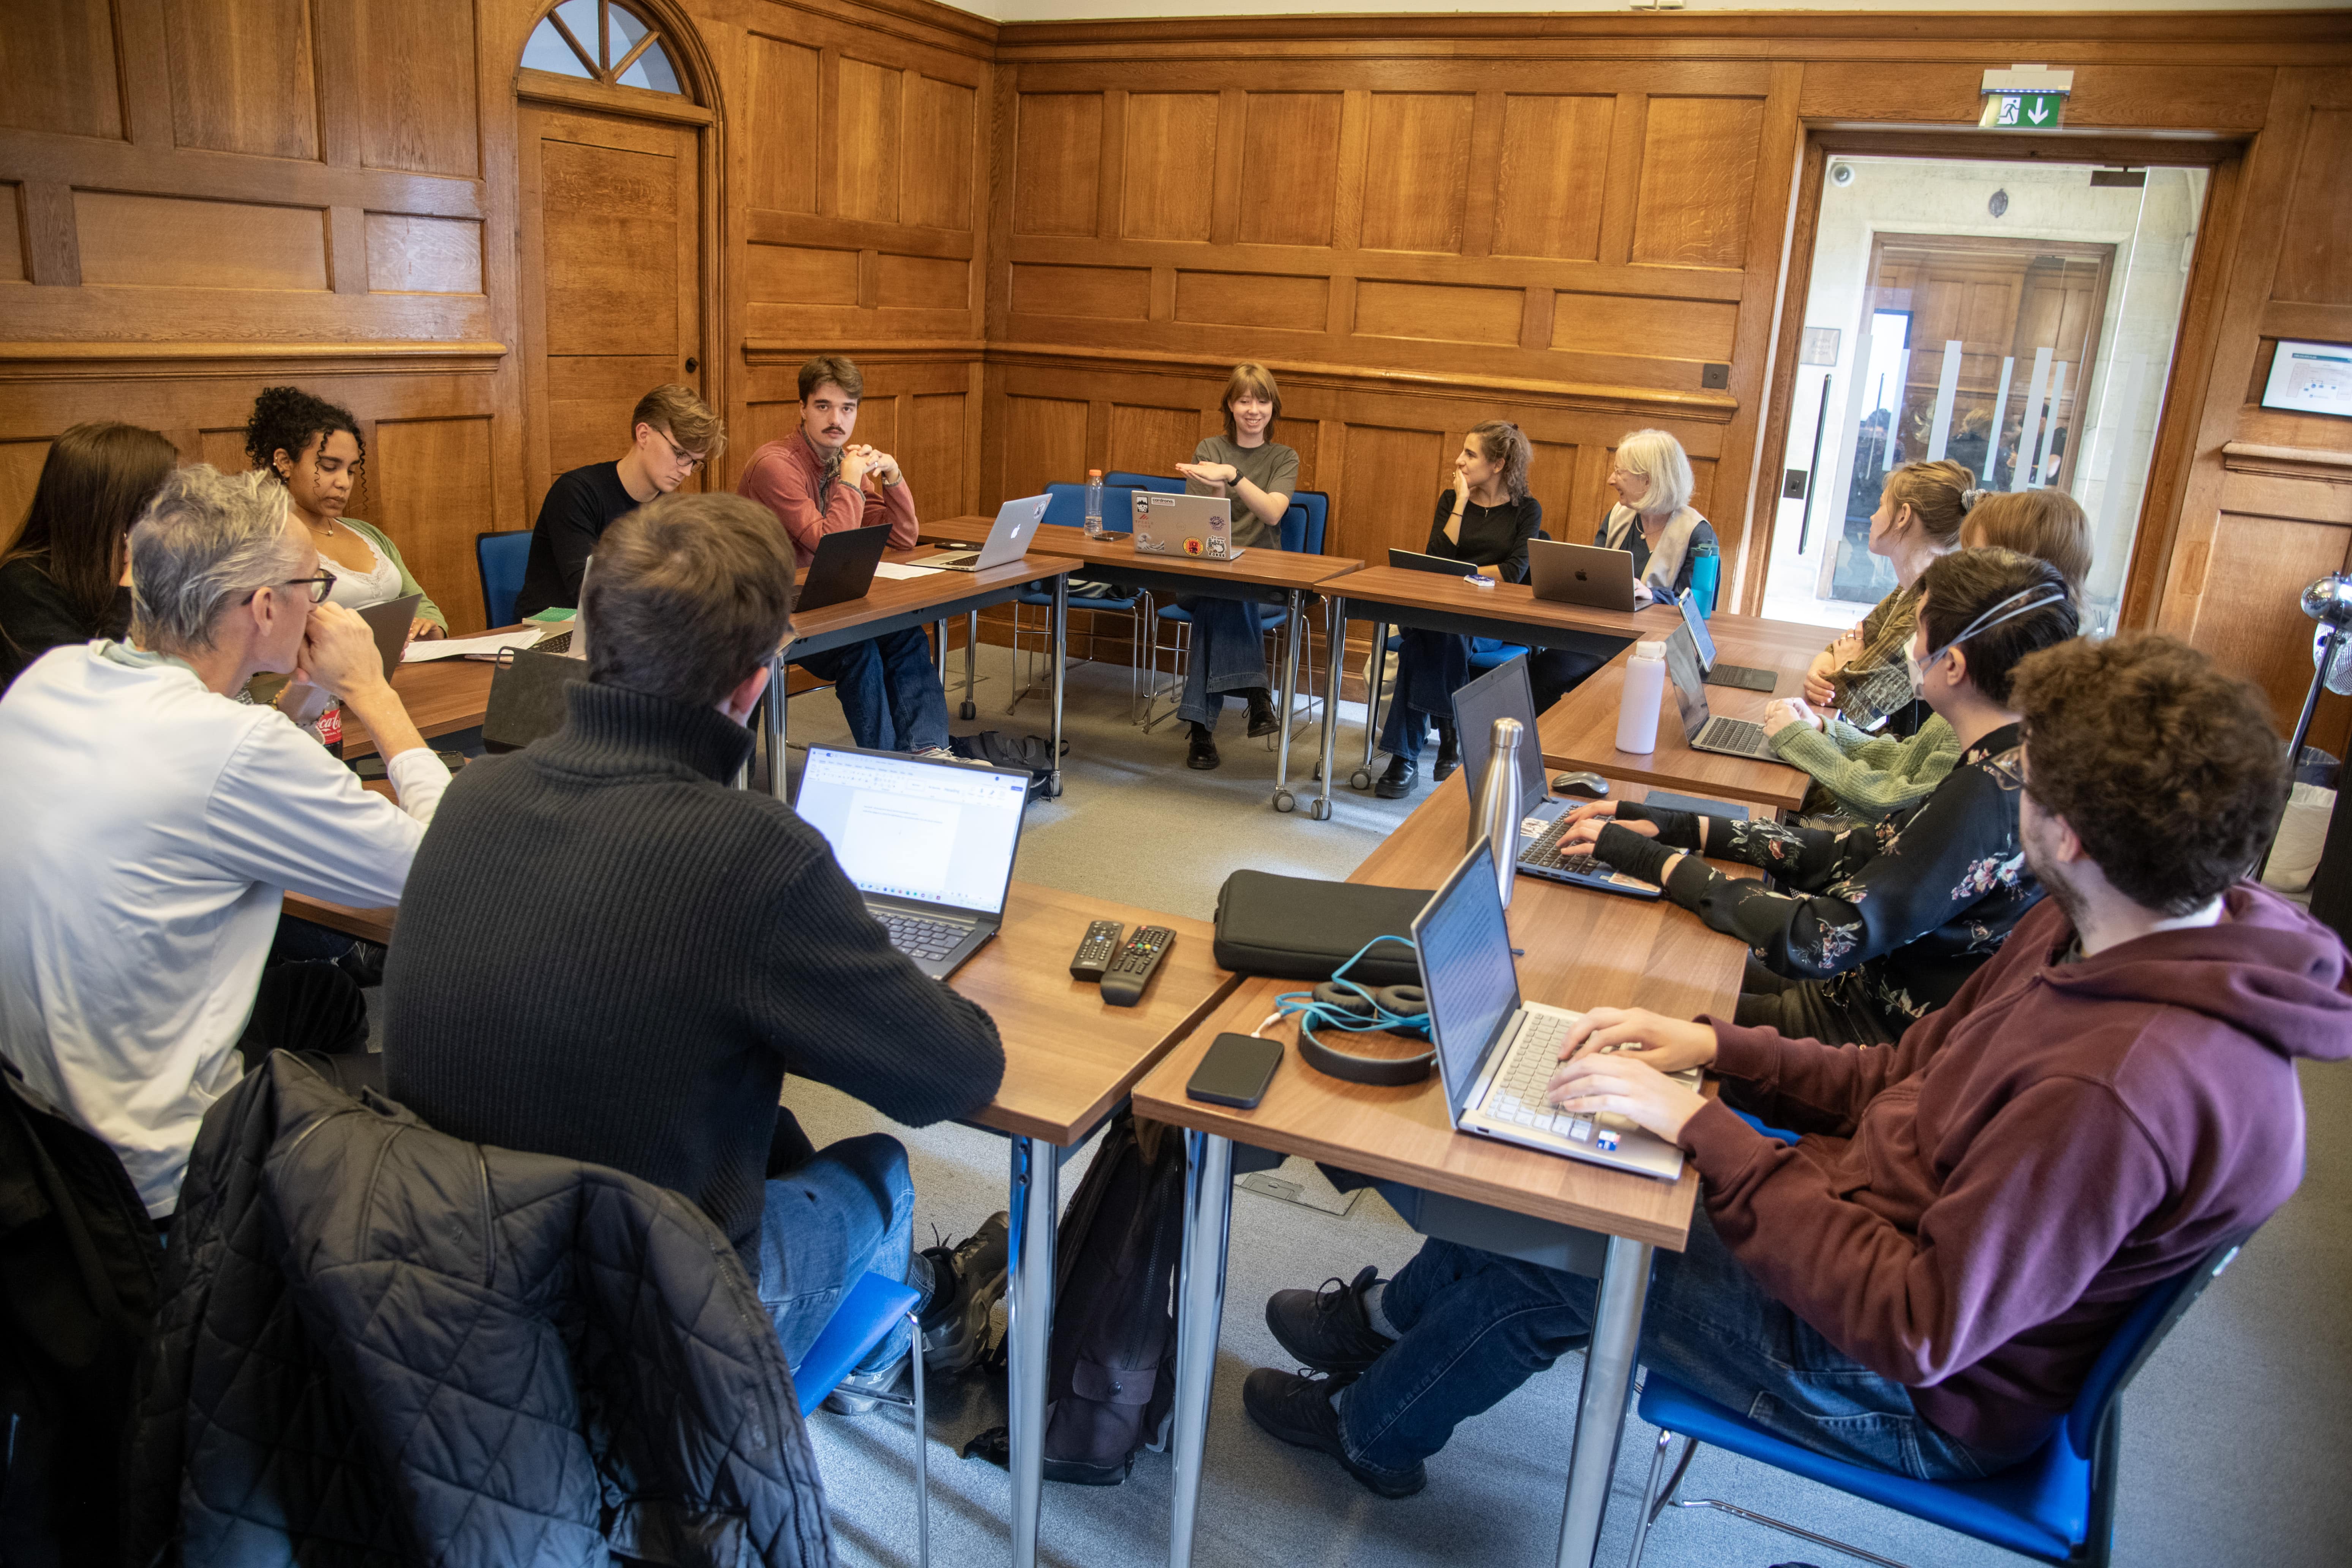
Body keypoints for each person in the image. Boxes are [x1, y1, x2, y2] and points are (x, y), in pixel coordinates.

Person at [1245, 632, 2348, 1499]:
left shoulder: (2122, 1088)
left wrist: (1702, 1131)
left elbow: (1913, 1325)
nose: (2012, 802)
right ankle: (1383, 1329)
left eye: (2030, 787)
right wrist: (1713, 1049)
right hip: (1869, 1231)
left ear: (2073, 840)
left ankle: (1371, 1429)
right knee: (1589, 1146)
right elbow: (1904, 1075)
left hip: (1904, 1392)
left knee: (1580, 1226)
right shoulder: (2120, 923)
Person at [381, 492, 1011, 1402]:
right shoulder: (754, 850)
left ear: (586, 641)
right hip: (650, 1325)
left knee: (776, 1133)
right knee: (877, 1169)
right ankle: (903, 1345)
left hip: (449, 1282)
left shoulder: (471, 796)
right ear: (755, 681)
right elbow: (955, 1073)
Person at [0, 465, 450, 1223]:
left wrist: (308, 686)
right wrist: (374, 693)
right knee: (439, 1081)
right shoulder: (234, 750)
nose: (321, 604)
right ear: (268, 605)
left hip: (41, 1137)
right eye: (317, 586)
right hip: (160, 1179)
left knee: (319, 999)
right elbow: (451, 870)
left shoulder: (52, 678)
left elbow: (234, 745)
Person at [1562, 548, 2078, 1045]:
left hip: (1856, 1039)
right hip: (1853, 999)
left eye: (1919, 632)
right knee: (1643, 961)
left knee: (1610, 991)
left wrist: (1657, 864)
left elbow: (1817, 939)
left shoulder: (1985, 798)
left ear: (1955, 666)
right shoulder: (2010, 761)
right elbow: (1856, 852)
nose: (1913, 650)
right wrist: (1680, 827)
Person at [1764, 487, 2092, 820]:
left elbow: (1900, 801)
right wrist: (1825, 730)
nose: (1958, 567)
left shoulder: (1993, 689)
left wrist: (1805, 740)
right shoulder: (1991, 667)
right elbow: (1912, 760)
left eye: (1974, 557)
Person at [737, 355, 952, 756]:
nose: (837, 419)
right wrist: (851, 480)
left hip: (825, 601)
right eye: (823, 406)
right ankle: (885, 767)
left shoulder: (838, 462)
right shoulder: (775, 466)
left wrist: (895, 478)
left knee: (905, 634)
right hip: (771, 610)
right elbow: (829, 540)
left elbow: (904, 538)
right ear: (802, 409)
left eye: (847, 409)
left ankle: (929, 754)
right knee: (861, 650)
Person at [1374, 422, 1543, 798]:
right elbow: (1436, 558)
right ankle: (1449, 736)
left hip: (1488, 621)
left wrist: (1461, 576)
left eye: (1470, 454)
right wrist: (1462, 504)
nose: (1459, 460)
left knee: (1421, 644)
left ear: (1498, 464)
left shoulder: (1526, 511)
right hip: (1438, 610)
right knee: (1435, 631)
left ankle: (1404, 758)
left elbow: (1514, 573)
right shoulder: (1452, 500)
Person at [1524, 428, 1719, 714]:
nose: (1611, 480)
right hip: (1602, 636)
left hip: (1657, 650)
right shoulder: (1620, 515)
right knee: (1534, 678)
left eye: (1620, 472)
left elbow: (1697, 608)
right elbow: (1592, 570)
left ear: (1648, 480)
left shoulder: (1698, 534)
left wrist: (1651, 594)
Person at [1170, 362, 1298, 770]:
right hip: (1203, 573)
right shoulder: (1209, 449)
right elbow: (1201, 523)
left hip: (1259, 587)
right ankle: (1258, 694)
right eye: (1245, 400)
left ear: (1273, 408)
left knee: (1223, 601)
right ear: (1230, 404)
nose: (1253, 409)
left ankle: (1201, 730)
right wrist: (1218, 485)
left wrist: (1235, 475)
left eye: (1262, 401)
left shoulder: (1284, 457)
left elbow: (1274, 514)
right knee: (1221, 591)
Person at [245, 385, 445, 640]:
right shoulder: (264, 544)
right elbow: (265, 640)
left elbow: (422, 604)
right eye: (329, 467)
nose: (344, 483)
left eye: (350, 471)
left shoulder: (367, 533)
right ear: (285, 462)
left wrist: (431, 628)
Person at [514, 384, 724, 619]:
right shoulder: (576, 493)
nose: (686, 472)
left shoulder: (670, 509)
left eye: (695, 463)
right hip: (553, 631)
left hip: (625, 632)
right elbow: (589, 592)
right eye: (680, 454)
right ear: (644, 434)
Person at [1798, 458, 1974, 738]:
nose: (1872, 516)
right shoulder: (1910, 588)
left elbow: (1852, 701)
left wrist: (1843, 666)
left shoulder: (1932, 605)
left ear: (1903, 516)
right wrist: (1829, 661)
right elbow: (1848, 645)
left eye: (1881, 505)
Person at [0, 421, 177, 691]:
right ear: (121, 509)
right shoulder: (23, 582)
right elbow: (98, 692)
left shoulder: (138, 557)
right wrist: (132, 584)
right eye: (167, 498)